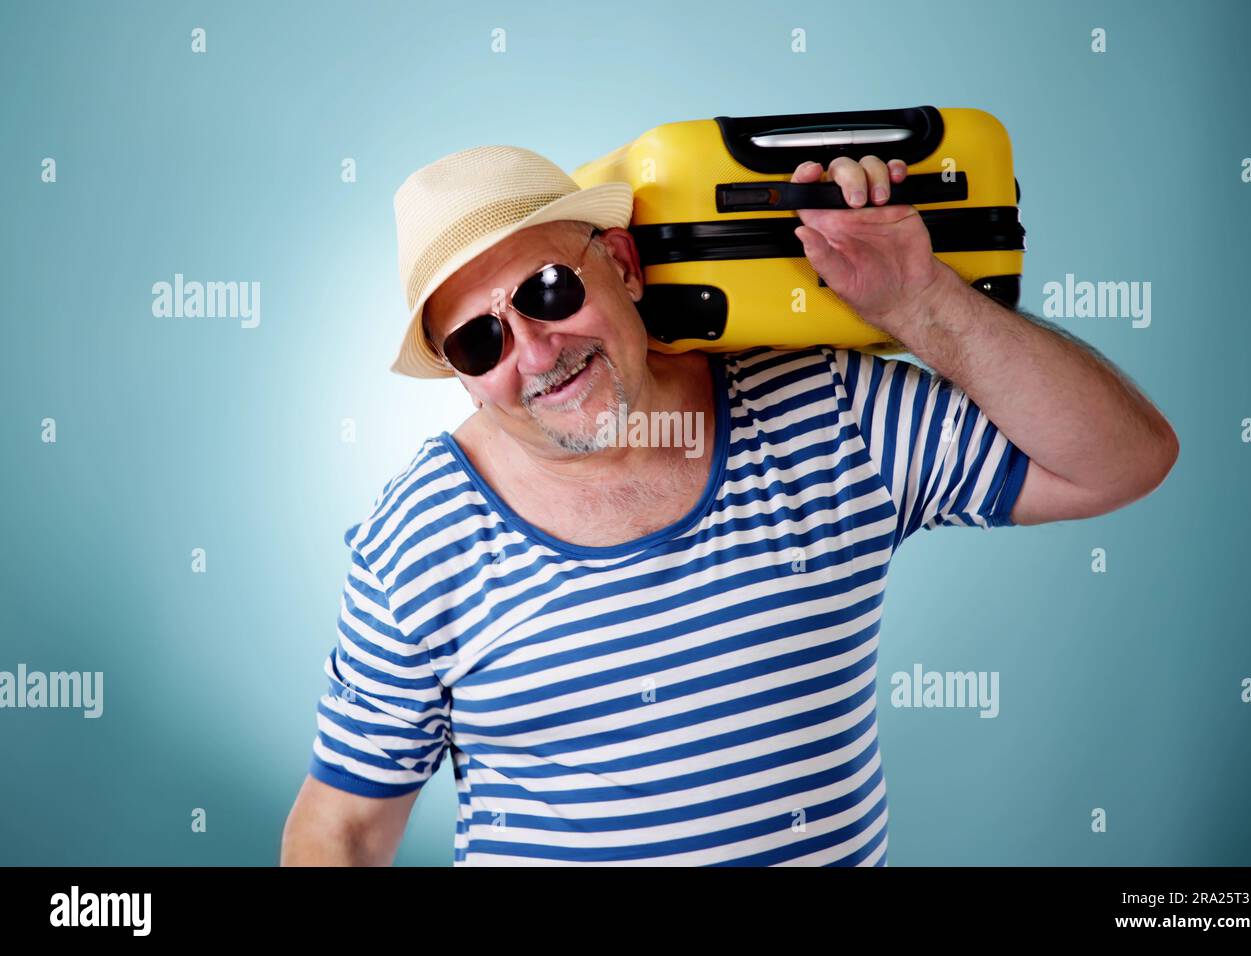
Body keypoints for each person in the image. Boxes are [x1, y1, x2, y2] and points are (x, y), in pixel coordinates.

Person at [280, 145, 1178, 866]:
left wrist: (924, 303)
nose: (536, 351)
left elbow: (1121, 462)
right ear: (463, 379)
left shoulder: (827, 410)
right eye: (481, 340)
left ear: (622, 264)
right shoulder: (416, 540)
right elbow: (343, 830)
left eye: (548, 290)